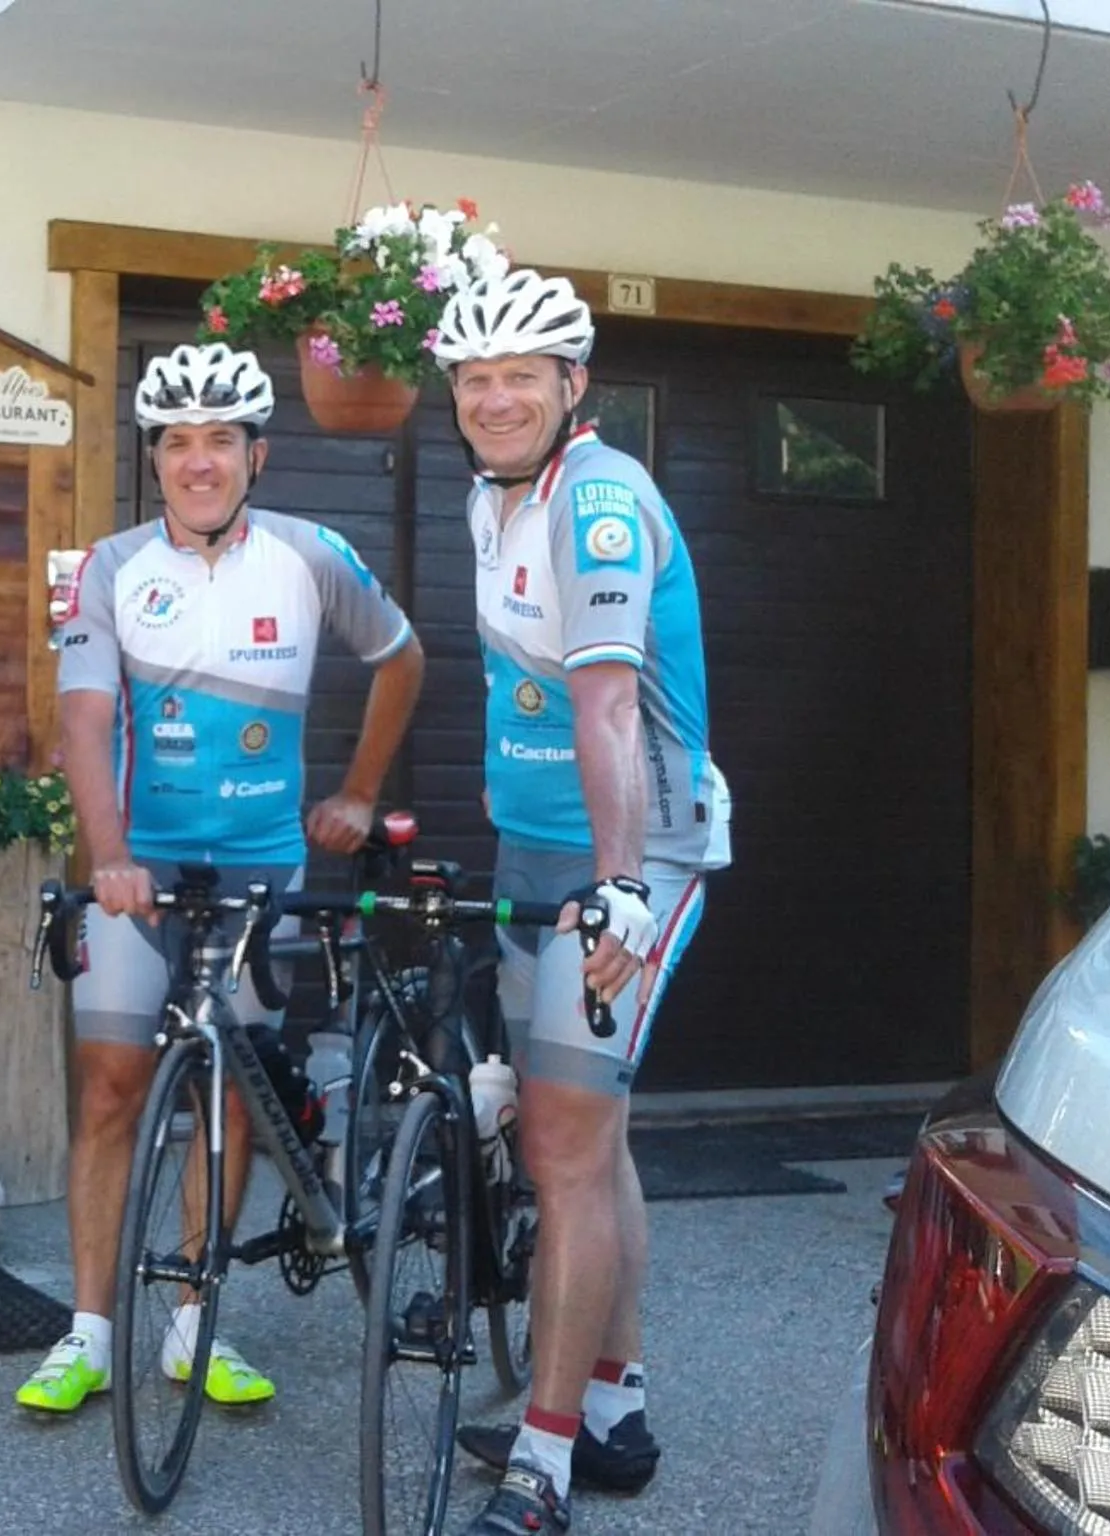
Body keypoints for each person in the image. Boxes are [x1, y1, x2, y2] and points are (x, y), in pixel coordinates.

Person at [22, 342, 425, 1415]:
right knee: (109, 1088)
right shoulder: (111, 568)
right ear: (152, 457)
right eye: (175, 443)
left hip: (260, 871)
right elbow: (83, 717)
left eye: (218, 441)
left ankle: (198, 1324)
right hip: (138, 873)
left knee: (232, 1094)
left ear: (257, 454)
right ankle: (89, 1330)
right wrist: (107, 856)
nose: (197, 462)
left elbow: (402, 658)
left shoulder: (309, 554)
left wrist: (354, 791)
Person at [428, 270, 731, 1536]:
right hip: (533, 854)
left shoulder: (599, 498)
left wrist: (615, 892)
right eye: (473, 379)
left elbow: (606, 701)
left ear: (572, 386)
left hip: (635, 860)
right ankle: (611, 1403)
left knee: (558, 1149)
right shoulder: (491, 496)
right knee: (590, 1143)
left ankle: (542, 1462)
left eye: (519, 377)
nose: (494, 398)